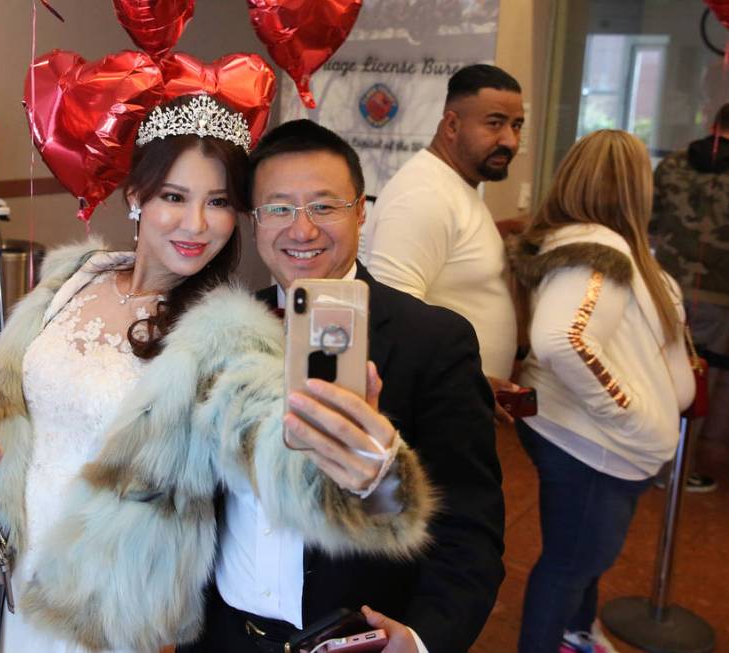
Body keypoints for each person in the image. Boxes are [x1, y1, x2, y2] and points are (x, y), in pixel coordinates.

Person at [0, 94, 436, 653]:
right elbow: (0, 398)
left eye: (218, 201)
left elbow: (275, 457)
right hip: (2, 569)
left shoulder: (225, 334)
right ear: (135, 197)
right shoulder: (71, 278)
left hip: (101, 616)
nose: (197, 223)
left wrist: (371, 466)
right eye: (175, 196)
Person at [179, 119, 505, 653]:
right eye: (279, 209)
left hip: (351, 640)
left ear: (361, 212)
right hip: (221, 637)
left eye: (325, 206)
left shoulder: (432, 342)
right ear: (255, 222)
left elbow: (467, 528)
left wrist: (424, 641)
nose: (302, 230)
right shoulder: (223, 330)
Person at [507, 130, 695, 653]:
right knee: (571, 564)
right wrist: (629, 415)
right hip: (592, 445)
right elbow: (561, 341)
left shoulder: (595, 247)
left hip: (592, 441)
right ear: (638, 188)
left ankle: (576, 632)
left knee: (582, 560)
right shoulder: (598, 250)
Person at [362, 64, 524, 423]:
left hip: (458, 401)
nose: (511, 140)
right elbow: (392, 318)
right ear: (452, 125)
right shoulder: (424, 194)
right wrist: (471, 383)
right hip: (439, 407)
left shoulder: (454, 186)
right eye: (495, 123)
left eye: (516, 125)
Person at [649, 102, 729, 493]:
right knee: (701, 379)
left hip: (664, 287)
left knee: (661, 371)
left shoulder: (673, 164)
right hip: (718, 296)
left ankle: (651, 456)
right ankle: (678, 468)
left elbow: (648, 221)